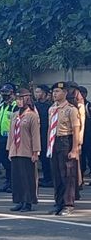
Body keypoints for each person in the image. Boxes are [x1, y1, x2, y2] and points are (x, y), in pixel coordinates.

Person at [47, 82, 81, 216]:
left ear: (65, 93)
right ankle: (58, 202)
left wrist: (74, 149)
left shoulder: (71, 109)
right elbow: (50, 129)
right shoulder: (52, 109)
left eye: (57, 91)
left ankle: (68, 204)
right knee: (56, 174)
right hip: (54, 142)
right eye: (54, 91)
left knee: (67, 174)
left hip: (66, 141)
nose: (55, 94)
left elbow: (76, 130)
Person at [8, 88, 41, 212]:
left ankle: (28, 201)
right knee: (17, 178)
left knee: (28, 178)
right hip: (15, 150)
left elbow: (35, 135)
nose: (18, 101)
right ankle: (20, 200)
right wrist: (9, 149)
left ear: (27, 99)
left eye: (21, 99)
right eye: (17, 99)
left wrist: (35, 152)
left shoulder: (32, 115)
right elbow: (11, 134)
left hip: (27, 151)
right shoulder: (15, 115)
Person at [0, 84, 18, 192]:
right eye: (3, 94)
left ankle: (13, 183)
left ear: (13, 94)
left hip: (11, 137)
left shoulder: (15, 106)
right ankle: (8, 181)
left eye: (7, 94)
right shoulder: (0, 106)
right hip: (1, 137)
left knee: (11, 162)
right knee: (4, 161)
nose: (5, 96)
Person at [34, 84, 53, 187]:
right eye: (35, 92)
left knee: (46, 157)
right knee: (40, 156)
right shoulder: (34, 105)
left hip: (46, 133)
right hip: (37, 133)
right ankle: (45, 177)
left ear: (45, 93)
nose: (36, 94)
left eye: (39, 92)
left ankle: (49, 178)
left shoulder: (50, 106)